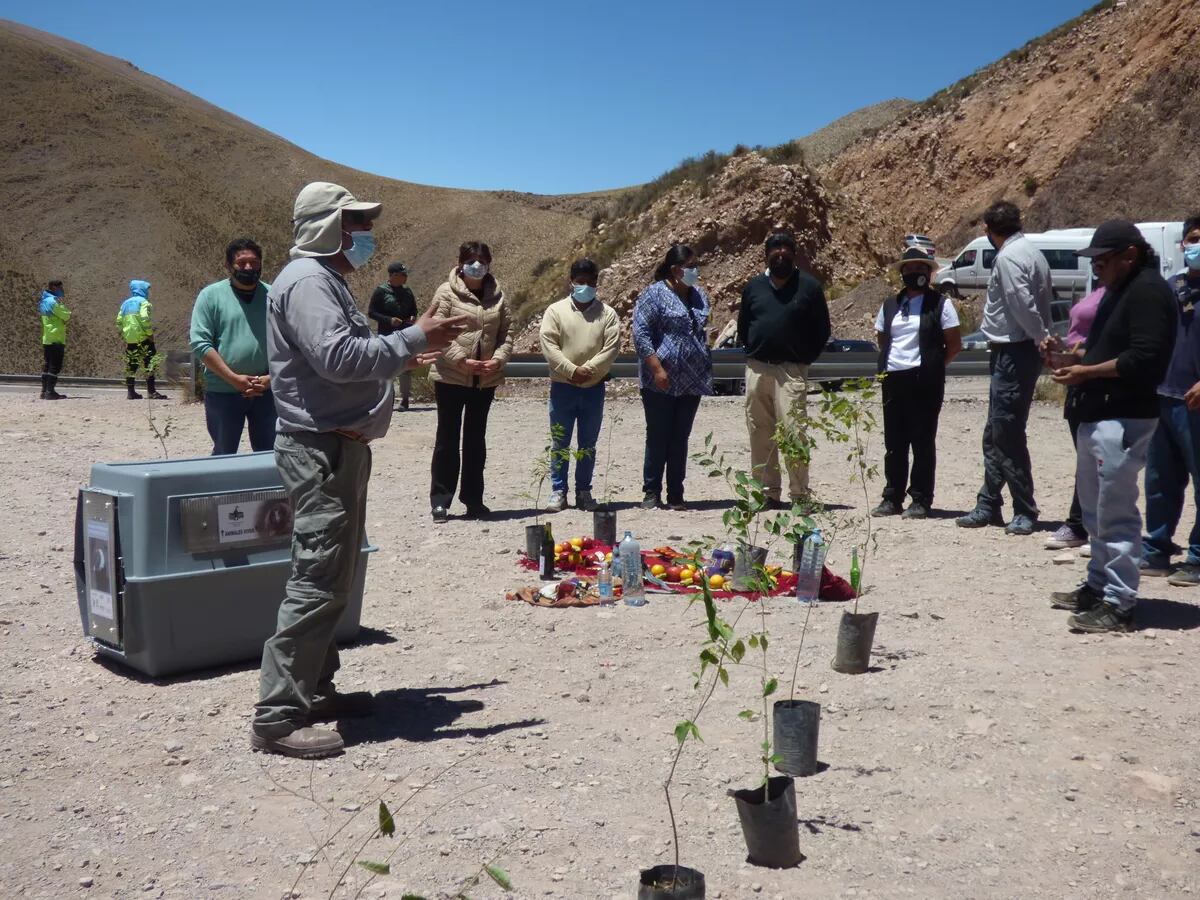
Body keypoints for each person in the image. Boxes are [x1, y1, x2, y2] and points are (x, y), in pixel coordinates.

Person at [251, 181, 467, 759]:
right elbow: (340, 359)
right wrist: (415, 336)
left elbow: (346, 351)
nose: (362, 236)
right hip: (320, 451)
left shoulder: (324, 281)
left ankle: (315, 689)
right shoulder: (307, 283)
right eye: (353, 224)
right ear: (326, 227)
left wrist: (401, 348)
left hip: (337, 448)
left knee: (334, 574)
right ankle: (277, 716)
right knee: (318, 576)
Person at [1047, 220, 1176, 634]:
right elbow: (1108, 348)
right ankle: (1100, 584)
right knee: (1095, 510)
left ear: (1129, 255)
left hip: (1123, 414)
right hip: (1099, 412)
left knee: (1115, 512)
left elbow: (1144, 358)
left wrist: (1086, 372)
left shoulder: (1149, 291)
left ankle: (1120, 602)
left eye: (1103, 260)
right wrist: (1070, 358)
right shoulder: (1120, 291)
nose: (1096, 267)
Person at [956, 201, 1053, 535]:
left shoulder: (1009, 258)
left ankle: (1024, 508)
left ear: (988, 229)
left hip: (1014, 350)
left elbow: (1021, 302)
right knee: (995, 431)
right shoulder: (1032, 252)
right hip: (1014, 351)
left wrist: (1041, 337)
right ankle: (988, 502)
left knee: (1006, 432)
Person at [737, 232, 831, 509]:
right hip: (757, 369)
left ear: (794, 253)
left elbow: (822, 330)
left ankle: (800, 495)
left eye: (786, 249)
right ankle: (767, 493)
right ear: (766, 255)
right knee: (759, 432)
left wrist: (804, 360)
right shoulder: (753, 288)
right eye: (775, 249)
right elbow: (744, 327)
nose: (780, 253)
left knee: (793, 433)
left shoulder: (810, 288)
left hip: (790, 372)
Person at [871, 248, 962, 519]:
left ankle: (921, 499)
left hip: (924, 381)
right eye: (909, 269)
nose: (915, 274)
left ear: (929, 273)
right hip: (893, 378)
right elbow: (882, 338)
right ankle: (892, 497)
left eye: (921, 269)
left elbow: (954, 344)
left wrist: (934, 366)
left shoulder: (941, 304)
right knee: (894, 442)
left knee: (922, 441)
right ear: (902, 273)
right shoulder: (890, 305)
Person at [427, 241, 513, 522]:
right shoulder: (446, 292)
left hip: (484, 380)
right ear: (460, 262)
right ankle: (441, 500)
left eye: (482, 260)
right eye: (471, 260)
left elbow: (506, 334)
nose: (477, 266)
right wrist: (462, 360)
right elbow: (437, 333)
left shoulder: (498, 296)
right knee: (447, 439)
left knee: (476, 440)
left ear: (489, 263)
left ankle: (473, 499)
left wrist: (497, 360)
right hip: (451, 377)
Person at [1140, 214, 1200, 585]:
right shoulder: (1172, 288)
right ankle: (1156, 550)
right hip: (1163, 396)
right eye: (1193, 238)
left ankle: (1197, 557)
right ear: (1182, 244)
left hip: (1196, 403)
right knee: (1159, 481)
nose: (1196, 246)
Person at [633, 244, 712, 510]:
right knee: (658, 434)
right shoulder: (653, 295)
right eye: (690, 266)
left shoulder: (699, 295)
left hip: (691, 380)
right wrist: (657, 368)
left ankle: (676, 493)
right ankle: (651, 491)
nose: (694, 271)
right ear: (676, 269)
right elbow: (641, 334)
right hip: (660, 379)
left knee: (680, 436)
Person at [538, 258, 621, 512]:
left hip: (593, 388)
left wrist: (590, 371)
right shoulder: (555, 311)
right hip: (563, 387)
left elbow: (612, 347)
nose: (585, 286)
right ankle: (558, 491)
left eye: (590, 282)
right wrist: (571, 370)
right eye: (580, 282)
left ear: (597, 284)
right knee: (560, 442)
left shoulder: (607, 314)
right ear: (571, 282)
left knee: (588, 443)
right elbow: (548, 344)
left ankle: (584, 491)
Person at [189, 238, 275, 455]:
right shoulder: (211, 296)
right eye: (241, 262)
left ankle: (268, 491)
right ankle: (222, 490)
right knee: (224, 454)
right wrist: (234, 379)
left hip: (266, 390)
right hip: (223, 390)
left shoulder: (274, 296)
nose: (248, 268)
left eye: (254, 262)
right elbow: (200, 343)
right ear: (228, 266)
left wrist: (271, 379)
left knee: (270, 455)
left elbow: (290, 342)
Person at [1043, 283, 1106, 550]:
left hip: (1101, 379)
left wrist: (1082, 355)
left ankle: (1097, 528)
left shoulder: (1127, 294)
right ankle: (1080, 524)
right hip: (1079, 380)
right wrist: (1060, 350)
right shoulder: (1096, 291)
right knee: (1086, 458)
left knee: (1102, 459)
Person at [368, 262, 419, 410]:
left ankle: (404, 399)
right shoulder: (381, 291)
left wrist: (413, 317)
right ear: (394, 276)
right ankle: (387, 398)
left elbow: (414, 310)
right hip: (387, 335)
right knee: (387, 367)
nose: (406, 277)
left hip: (405, 333)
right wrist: (389, 320)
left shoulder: (407, 291)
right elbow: (372, 312)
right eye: (403, 275)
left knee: (406, 365)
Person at [117, 279, 167, 400]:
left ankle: (131, 392)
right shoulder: (144, 303)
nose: (149, 292)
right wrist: (149, 333)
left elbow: (119, 321)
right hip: (143, 338)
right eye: (147, 289)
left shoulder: (125, 304)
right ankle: (151, 391)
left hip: (130, 339)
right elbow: (145, 318)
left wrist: (125, 334)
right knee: (150, 363)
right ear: (142, 290)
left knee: (131, 365)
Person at [38, 280, 71, 400]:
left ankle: (44, 391)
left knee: (47, 365)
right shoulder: (53, 302)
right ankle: (50, 392)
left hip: (47, 337)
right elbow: (66, 315)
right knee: (55, 366)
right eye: (60, 287)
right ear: (52, 287)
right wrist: (66, 315)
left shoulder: (43, 301)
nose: (61, 290)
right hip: (56, 337)